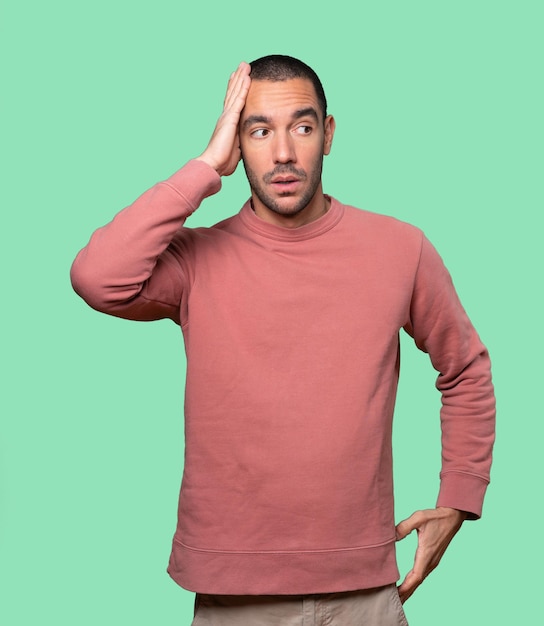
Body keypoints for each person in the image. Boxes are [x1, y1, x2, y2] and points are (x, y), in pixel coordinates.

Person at [71, 55, 495, 625]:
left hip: (363, 588)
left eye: (302, 127)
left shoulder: (400, 249)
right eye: (258, 131)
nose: (284, 154)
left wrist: (458, 500)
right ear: (237, 144)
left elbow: (465, 368)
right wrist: (205, 167)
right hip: (235, 593)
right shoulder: (196, 260)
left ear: (329, 134)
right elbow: (97, 278)